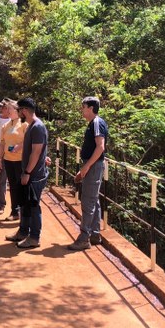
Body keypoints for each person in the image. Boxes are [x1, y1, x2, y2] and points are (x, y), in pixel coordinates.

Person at [5, 98, 48, 249]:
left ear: (24, 110)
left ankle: (34, 237)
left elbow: (36, 152)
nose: (18, 113)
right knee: (25, 203)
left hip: (34, 175)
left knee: (33, 206)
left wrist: (28, 172)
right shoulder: (31, 126)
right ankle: (23, 232)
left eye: (18, 110)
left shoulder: (37, 127)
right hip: (29, 172)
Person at [68, 96, 108, 250]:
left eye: (83, 107)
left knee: (87, 202)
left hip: (94, 166)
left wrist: (86, 167)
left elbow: (100, 147)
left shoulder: (97, 123)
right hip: (93, 165)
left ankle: (84, 238)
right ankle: (95, 235)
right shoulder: (94, 123)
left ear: (91, 108)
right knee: (93, 200)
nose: (82, 110)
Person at [0, 99, 28, 221]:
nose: (7, 111)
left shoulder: (24, 124)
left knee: (22, 187)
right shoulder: (6, 126)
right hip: (8, 160)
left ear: (17, 110)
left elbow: (29, 141)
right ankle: (15, 212)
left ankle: (24, 213)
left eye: (10, 109)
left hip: (21, 161)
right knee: (13, 186)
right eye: (7, 109)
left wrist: (19, 147)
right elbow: (2, 144)